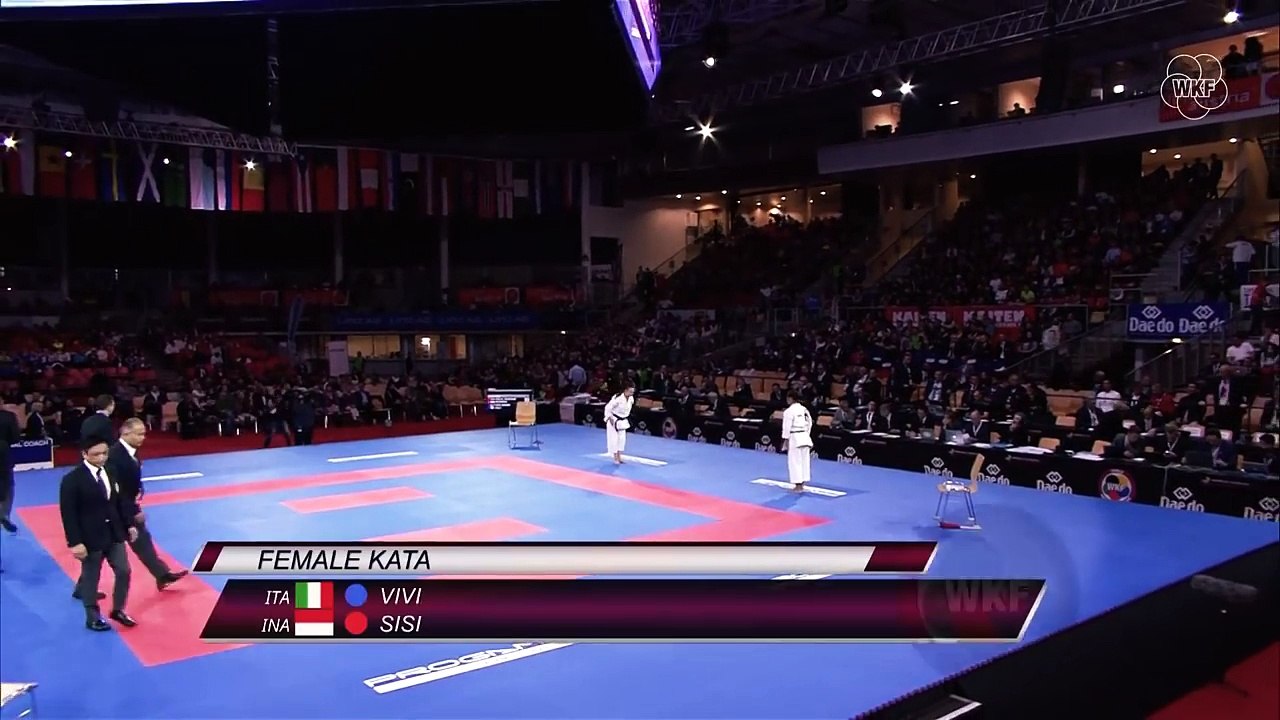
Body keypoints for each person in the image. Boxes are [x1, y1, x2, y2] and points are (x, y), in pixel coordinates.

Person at [60, 437, 138, 631]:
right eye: (96, 454)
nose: (101, 457)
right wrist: (75, 542)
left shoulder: (111, 471)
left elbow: (118, 501)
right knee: (91, 577)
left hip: (114, 533)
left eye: (104, 453)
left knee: (124, 571)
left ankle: (118, 609)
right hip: (89, 537)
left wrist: (129, 524)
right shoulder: (72, 480)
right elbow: (68, 514)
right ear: (84, 454)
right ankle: (92, 616)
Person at [107, 419, 189, 590]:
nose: (142, 437)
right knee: (100, 552)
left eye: (144, 433)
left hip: (127, 506)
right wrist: (133, 512)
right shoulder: (115, 455)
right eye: (138, 434)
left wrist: (139, 494)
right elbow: (118, 491)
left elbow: (133, 482)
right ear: (125, 433)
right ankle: (83, 586)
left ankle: (162, 574)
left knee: (143, 541)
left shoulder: (131, 452)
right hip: (114, 510)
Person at [781, 391, 813, 491]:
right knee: (804, 461)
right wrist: (806, 434)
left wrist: (785, 440)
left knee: (795, 461)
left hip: (794, 437)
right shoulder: (804, 409)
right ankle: (802, 483)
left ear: (790, 398)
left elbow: (786, 427)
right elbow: (810, 422)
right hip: (804, 436)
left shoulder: (788, 411)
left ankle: (798, 485)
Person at [0, 405, 20, 535]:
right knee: (8, 484)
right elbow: (15, 438)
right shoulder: (8, 416)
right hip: (3, 451)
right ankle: (4, 514)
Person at [604, 383, 635, 464]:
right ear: (625, 390)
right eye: (630, 391)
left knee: (622, 439)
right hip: (613, 420)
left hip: (622, 421)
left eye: (633, 392)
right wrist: (609, 417)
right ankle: (615, 458)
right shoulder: (617, 398)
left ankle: (619, 457)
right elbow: (608, 408)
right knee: (614, 439)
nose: (632, 393)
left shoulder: (631, 398)